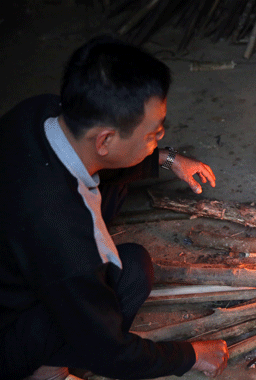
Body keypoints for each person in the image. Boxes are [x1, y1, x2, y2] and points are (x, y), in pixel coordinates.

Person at [0, 35, 229, 379]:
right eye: (153, 134)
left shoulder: (39, 113)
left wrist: (167, 159)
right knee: (133, 272)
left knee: (115, 191)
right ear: (105, 139)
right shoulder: (67, 234)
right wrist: (189, 355)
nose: (161, 137)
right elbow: (110, 350)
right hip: (6, 338)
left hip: (16, 264)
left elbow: (110, 156)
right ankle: (45, 373)